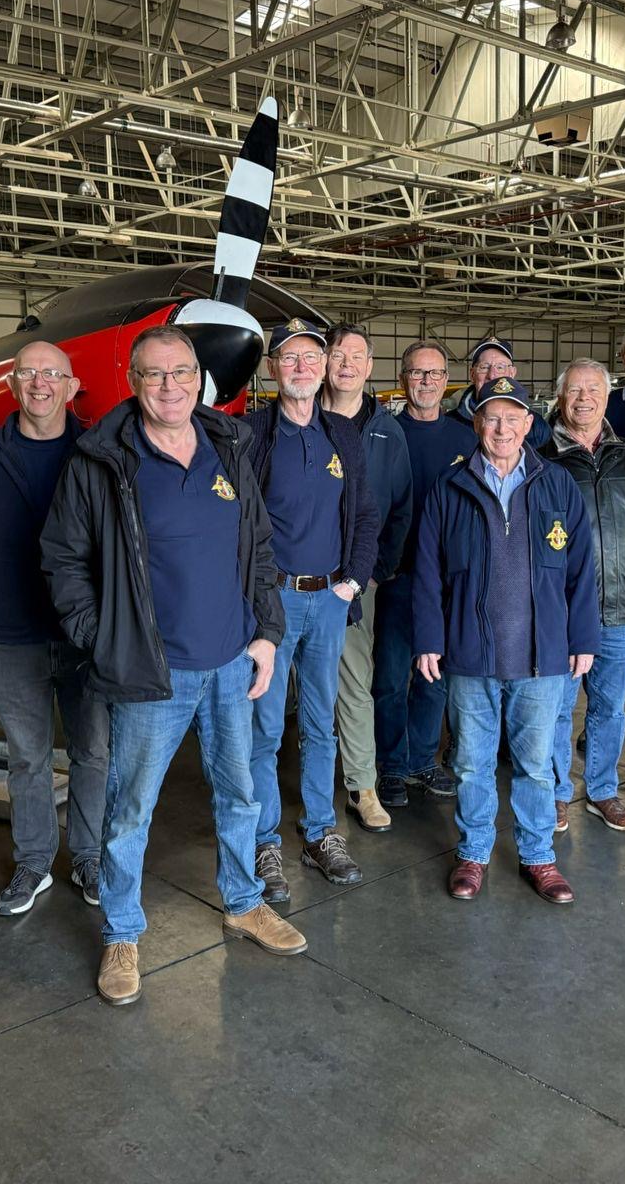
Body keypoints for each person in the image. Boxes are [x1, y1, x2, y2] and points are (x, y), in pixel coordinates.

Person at [41, 325, 305, 1007]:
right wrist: (102, 639)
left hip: (229, 664)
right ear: (134, 382)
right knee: (131, 811)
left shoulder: (227, 446)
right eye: (155, 375)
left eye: (181, 372)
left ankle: (244, 902)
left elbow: (260, 547)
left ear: (199, 378)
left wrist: (268, 633)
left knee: (240, 794)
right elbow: (63, 559)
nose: (170, 386)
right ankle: (123, 931)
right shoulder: (100, 460)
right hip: (149, 674)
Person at [414, 377, 600, 903]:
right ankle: (473, 853)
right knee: (472, 762)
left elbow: (583, 569)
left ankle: (538, 856)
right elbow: (428, 571)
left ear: (527, 424)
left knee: (536, 765)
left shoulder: (557, 483)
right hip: (470, 654)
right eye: (491, 418)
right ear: (477, 424)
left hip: (542, 657)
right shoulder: (450, 487)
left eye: (512, 418)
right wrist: (430, 639)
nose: (501, 428)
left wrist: (582, 635)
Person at [0, 339, 107, 916]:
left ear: (72, 387)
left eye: (53, 374)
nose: (40, 383)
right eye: (28, 373)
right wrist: (5, 584)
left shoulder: (98, 452)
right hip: (15, 634)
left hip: (85, 635)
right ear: (13, 386)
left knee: (94, 751)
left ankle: (89, 856)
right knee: (28, 757)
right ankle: (34, 861)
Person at [245, 318, 380, 902]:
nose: (301, 367)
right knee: (265, 728)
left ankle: (321, 832)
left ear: (324, 368)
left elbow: (367, 514)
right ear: (273, 369)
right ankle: (264, 840)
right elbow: (236, 524)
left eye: (311, 357)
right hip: (271, 602)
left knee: (322, 724)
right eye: (290, 358)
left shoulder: (342, 435)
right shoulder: (250, 436)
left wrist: (352, 583)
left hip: (328, 600)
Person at [540, 358, 625, 835]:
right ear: (561, 397)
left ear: (607, 396)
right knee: (558, 708)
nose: (584, 399)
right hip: (561, 613)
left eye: (593, 390)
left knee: (609, 707)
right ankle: (557, 792)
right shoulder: (542, 458)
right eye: (575, 390)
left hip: (622, 608)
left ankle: (601, 790)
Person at [375, 339, 478, 805]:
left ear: (446, 381)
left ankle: (422, 761)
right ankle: (392, 766)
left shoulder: (464, 437)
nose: (426, 381)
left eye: (435, 374)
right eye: (417, 373)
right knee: (392, 678)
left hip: (446, 584)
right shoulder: (385, 433)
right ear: (403, 379)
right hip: (398, 577)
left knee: (434, 677)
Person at [321, 322, 412, 835]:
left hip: (357, 582)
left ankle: (361, 784)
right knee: (291, 694)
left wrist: (374, 572)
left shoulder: (386, 431)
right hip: (297, 583)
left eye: (357, 355)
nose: (347, 364)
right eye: (338, 354)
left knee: (355, 682)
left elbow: (400, 508)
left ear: (370, 367)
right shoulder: (299, 421)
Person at [450, 336, 551, 447]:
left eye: (500, 367)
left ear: (512, 373)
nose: (492, 375)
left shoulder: (537, 427)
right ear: (473, 374)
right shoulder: (449, 425)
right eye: (484, 367)